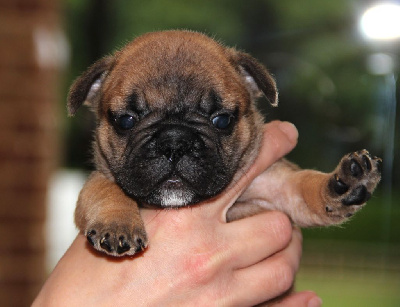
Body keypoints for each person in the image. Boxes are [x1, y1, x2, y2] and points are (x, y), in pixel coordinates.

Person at [33, 121, 322, 307]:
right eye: (129, 121)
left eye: (218, 120)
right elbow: (96, 198)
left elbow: (298, 192)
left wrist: (329, 190)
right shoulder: (108, 186)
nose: (173, 147)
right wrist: (114, 217)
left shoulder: (250, 167)